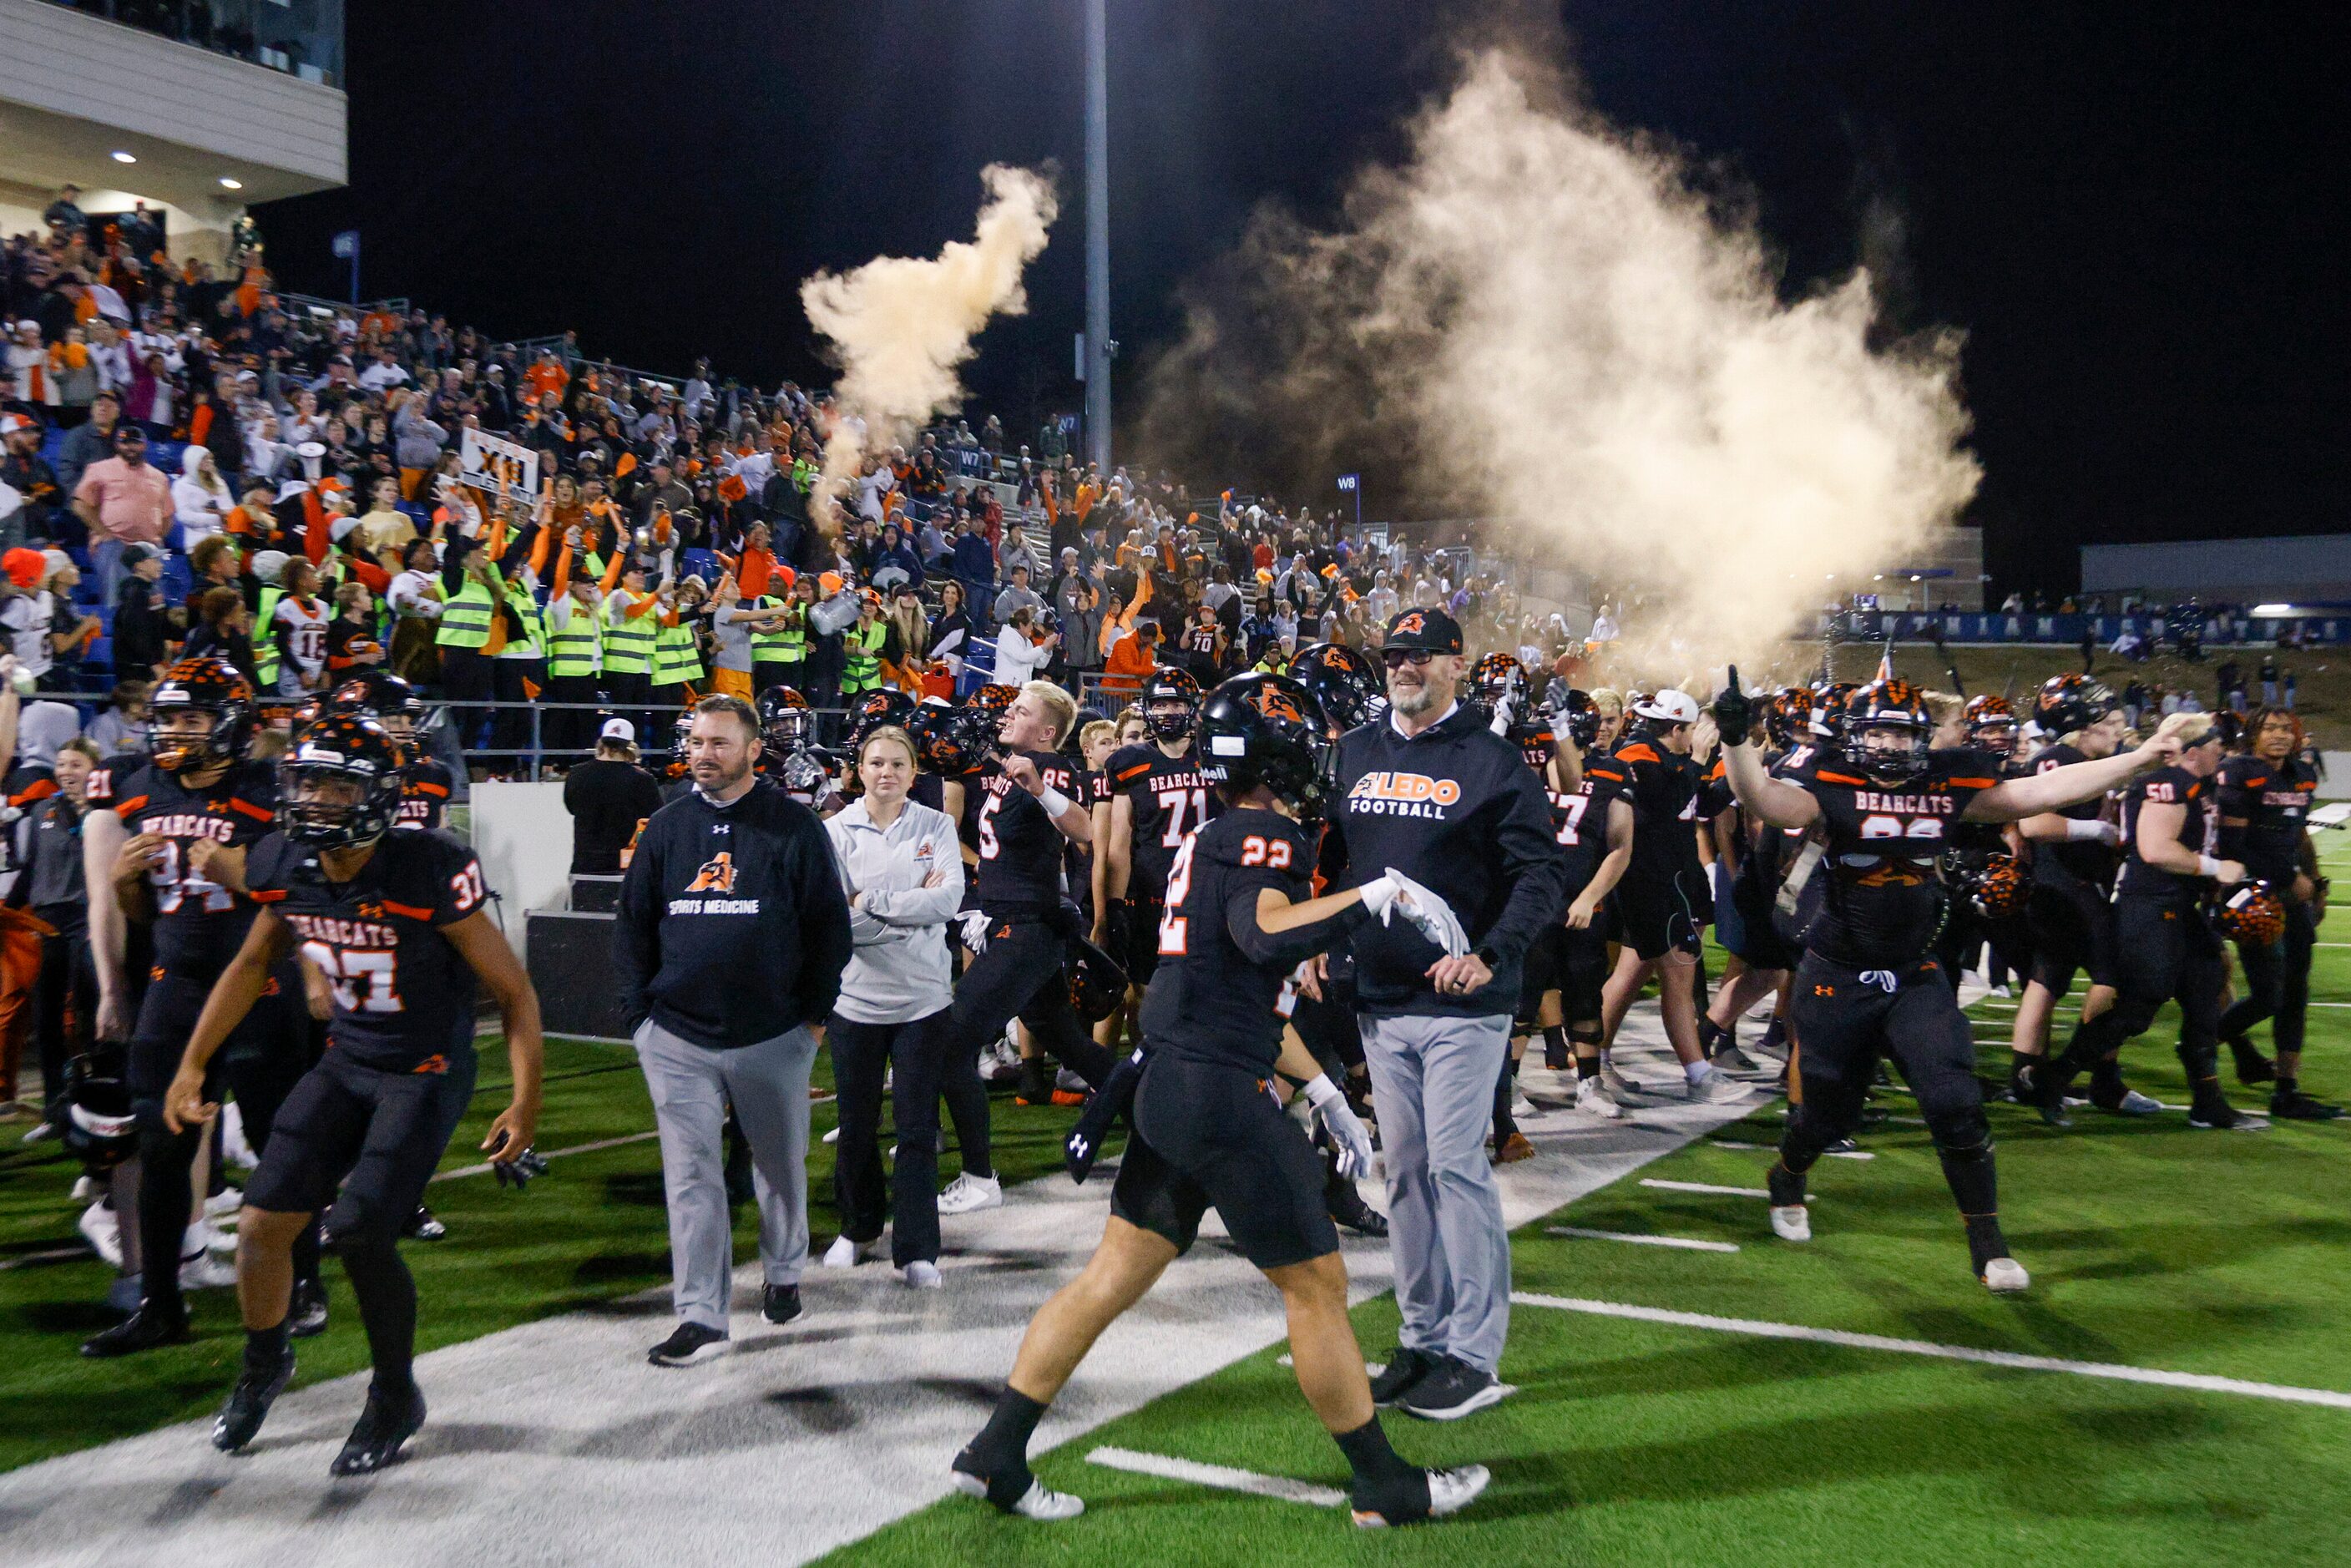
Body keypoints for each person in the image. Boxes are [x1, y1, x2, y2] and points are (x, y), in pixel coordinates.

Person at [953, 673, 1487, 1528]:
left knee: (1108, 1278)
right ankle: (1382, 1483)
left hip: (1170, 1073)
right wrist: (1373, 897)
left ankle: (997, 1449)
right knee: (1315, 1287)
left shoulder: (1219, 831)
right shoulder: (1269, 834)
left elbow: (1228, 983)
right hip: (1211, 1092)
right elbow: (1261, 933)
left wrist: (1318, 1085)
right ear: (1279, 753)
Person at [1713, 671, 2194, 1290]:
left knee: (1955, 1102)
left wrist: (2139, 756)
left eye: (1901, 734)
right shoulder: (1830, 780)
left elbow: (2040, 791)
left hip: (1915, 972)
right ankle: (1788, 1172)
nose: (1889, 747)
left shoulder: (1945, 783)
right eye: (1879, 733)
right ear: (1858, 735)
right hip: (1838, 974)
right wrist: (1734, 740)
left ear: (1921, 739)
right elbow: (1763, 799)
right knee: (1825, 1116)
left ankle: (1989, 1243)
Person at [164, 714, 543, 1473]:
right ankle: (266, 1359)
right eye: (307, 782)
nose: (318, 799)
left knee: (362, 1229)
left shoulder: (427, 866)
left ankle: (395, 1394)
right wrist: (191, 1064)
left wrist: (525, 1101)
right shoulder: (283, 859)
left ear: (377, 795)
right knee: (265, 1223)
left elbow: (513, 992)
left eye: (338, 784)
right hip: (346, 1061)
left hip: (424, 1069)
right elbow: (249, 965)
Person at [1320, 607, 1569, 1420]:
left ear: (1455, 666)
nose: (1405, 666)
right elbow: (1332, 862)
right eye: (1395, 654)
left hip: (1464, 1001)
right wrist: (1320, 936)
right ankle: (1421, 1339)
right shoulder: (1351, 751)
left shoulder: (1494, 761)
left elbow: (1539, 876)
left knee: (1458, 1169)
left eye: (1422, 656)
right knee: (1408, 1176)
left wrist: (1489, 955)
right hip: (1381, 999)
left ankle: (1474, 1354)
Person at [78, 657, 319, 1356]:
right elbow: (147, 911)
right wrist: (126, 882)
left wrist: (237, 871)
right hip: (174, 983)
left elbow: (296, 894)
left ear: (233, 724)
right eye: (169, 717)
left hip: (257, 984)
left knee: (280, 1145)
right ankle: (160, 1304)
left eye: (193, 718)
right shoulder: (140, 787)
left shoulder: (267, 790)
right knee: (160, 1149)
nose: (177, 731)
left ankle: (304, 1283)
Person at [613, 695, 853, 1366]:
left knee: (779, 1168)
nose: (703, 754)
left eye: (719, 743)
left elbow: (829, 931)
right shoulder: (665, 828)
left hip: (773, 1034)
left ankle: (783, 1268)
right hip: (677, 1038)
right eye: (696, 742)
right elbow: (632, 928)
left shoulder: (795, 827)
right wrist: (640, 1021)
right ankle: (702, 1318)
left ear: (752, 750)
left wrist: (810, 1021)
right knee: (690, 1178)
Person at [2035, 714, 2276, 1130]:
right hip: (2149, 906)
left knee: (2205, 989)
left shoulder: (2194, 785)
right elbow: (2155, 849)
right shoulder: (2167, 782)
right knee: (2137, 1006)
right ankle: (2052, 1080)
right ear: (2192, 750)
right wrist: (2213, 868)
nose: (2222, 750)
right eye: (2215, 744)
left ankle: (2207, 1100)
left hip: (2177, 906)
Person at [821, 726, 967, 1287]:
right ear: (858, 770)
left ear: (913, 773)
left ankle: (917, 1249)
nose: (886, 773)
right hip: (855, 1001)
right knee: (856, 1126)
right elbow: (834, 918)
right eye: (876, 763)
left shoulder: (936, 826)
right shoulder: (833, 831)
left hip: (924, 1001)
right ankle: (856, 1231)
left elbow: (949, 899)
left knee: (916, 1128)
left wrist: (871, 904)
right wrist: (908, 910)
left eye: (898, 765)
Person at [1091, 669, 1215, 1081]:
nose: (1166, 712)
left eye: (1175, 702)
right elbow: (1120, 844)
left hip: (1209, 892)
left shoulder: (1215, 753)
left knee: (1209, 989)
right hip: (1152, 893)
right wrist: (1113, 906)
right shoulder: (1129, 763)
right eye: (1159, 703)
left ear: (1192, 707)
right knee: (1145, 991)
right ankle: (1153, 1077)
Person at [2214, 708, 2335, 1118]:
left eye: (2287, 728)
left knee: (2296, 990)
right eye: (2271, 728)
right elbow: (2233, 845)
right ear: (2254, 735)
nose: (2281, 735)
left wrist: (2314, 883)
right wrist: (2288, 877)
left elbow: (2299, 834)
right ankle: (2199, 1042)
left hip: (2291, 895)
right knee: (2269, 994)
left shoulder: (2302, 774)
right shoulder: (2238, 772)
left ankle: (2287, 1089)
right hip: (2252, 894)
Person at [70, 422, 172, 610]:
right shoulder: (100, 468)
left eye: (135, 443)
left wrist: (157, 539)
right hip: (114, 545)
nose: (130, 447)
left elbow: (168, 515)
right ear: (117, 445)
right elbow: (79, 504)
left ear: (144, 445)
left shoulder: (159, 477)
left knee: (153, 606)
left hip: (149, 548)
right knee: (117, 605)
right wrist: (103, 531)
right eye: (125, 442)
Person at [563, 718, 664, 875]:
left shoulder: (576, 774)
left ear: (601, 743)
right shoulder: (643, 780)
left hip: (584, 864)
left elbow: (571, 808)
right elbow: (656, 821)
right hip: (626, 866)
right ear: (629, 746)